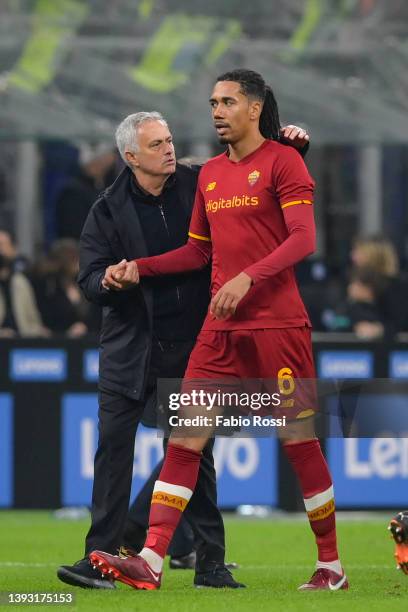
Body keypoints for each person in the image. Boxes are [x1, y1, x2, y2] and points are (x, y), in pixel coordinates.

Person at [90, 69, 348, 593]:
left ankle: (331, 566)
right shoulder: (207, 174)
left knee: (299, 440)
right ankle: (151, 559)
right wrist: (142, 266)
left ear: (254, 108)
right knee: (185, 439)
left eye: (228, 101)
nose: (216, 110)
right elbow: (199, 251)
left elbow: (304, 239)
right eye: (212, 102)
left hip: (278, 324)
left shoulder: (284, 161)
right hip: (219, 328)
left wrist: (249, 278)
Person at [55, 143, 117, 241]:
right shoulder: (73, 192)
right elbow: (73, 232)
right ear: (98, 160)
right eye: (110, 154)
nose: (114, 158)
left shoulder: (103, 187)